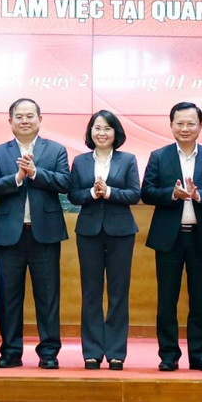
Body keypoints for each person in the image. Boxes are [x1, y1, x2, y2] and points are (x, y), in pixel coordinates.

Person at [141, 101, 202, 373]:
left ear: (200, 126)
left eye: (190, 123)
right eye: (179, 123)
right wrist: (171, 194)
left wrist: (199, 195)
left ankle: (199, 355)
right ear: (171, 125)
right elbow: (147, 191)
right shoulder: (159, 156)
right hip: (169, 239)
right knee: (166, 300)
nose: (185, 128)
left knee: (200, 300)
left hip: (201, 238)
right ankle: (169, 355)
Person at [0, 97, 69, 369]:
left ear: (40, 120)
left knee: (48, 295)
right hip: (10, 236)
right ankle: (11, 351)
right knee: (8, 296)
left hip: (45, 234)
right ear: (10, 121)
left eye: (30, 116)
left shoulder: (55, 150)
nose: (25, 121)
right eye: (19, 116)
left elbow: (65, 182)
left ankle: (49, 352)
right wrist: (17, 178)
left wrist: (35, 173)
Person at [67, 110, 139, 370]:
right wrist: (91, 193)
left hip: (121, 232)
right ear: (90, 132)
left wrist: (108, 192)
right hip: (89, 232)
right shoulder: (80, 161)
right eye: (97, 128)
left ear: (115, 132)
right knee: (91, 292)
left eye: (107, 128)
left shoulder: (128, 160)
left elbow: (134, 193)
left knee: (119, 292)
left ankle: (116, 352)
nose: (102, 133)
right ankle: (93, 352)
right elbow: (73, 194)